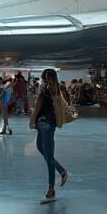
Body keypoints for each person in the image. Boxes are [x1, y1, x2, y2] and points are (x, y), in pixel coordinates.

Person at [30, 68, 68, 204]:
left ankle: (51, 189)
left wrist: (32, 121)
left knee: (48, 155)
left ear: (44, 78)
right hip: (50, 123)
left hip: (44, 124)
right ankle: (61, 170)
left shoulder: (45, 91)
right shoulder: (57, 89)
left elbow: (37, 108)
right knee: (42, 148)